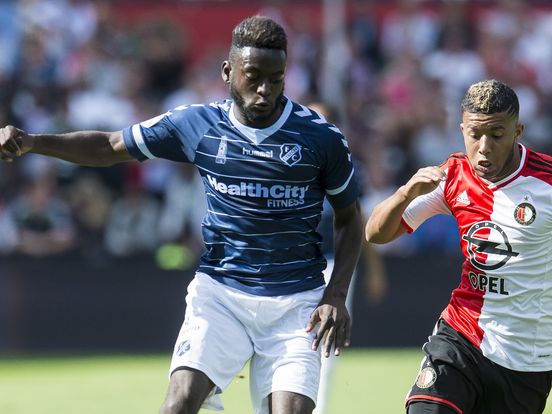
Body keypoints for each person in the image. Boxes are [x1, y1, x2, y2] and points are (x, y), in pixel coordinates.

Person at [0, 16, 362, 414]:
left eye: (275, 79)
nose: (264, 91)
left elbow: (349, 217)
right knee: (178, 404)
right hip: (221, 294)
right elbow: (109, 145)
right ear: (228, 71)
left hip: (296, 304)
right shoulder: (198, 124)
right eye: (252, 76)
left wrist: (336, 294)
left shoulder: (320, 138)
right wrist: (34, 142)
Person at [365, 79, 552, 414]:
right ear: (461, 128)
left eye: (496, 134)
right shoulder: (453, 175)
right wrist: (406, 193)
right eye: (474, 134)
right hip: (461, 337)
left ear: (518, 130)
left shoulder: (546, 182)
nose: (483, 147)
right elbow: (376, 234)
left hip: (526, 359)